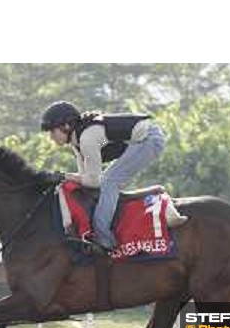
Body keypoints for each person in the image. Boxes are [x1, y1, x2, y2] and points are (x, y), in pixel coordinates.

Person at [40, 100, 165, 251]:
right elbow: (85, 177)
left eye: (52, 131)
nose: (51, 137)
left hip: (149, 139)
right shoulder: (77, 142)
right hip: (141, 140)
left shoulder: (87, 138)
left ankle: (104, 240)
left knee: (109, 182)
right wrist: (64, 177)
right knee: (108, 180)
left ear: (66, 126)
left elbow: (94, 182)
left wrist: (64, 176)